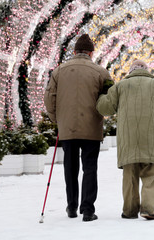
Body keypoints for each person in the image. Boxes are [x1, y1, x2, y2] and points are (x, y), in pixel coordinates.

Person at [96, 59, 154, 220]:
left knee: (129, 176)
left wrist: (101, 96)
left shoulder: (120, 86)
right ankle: (148, 208)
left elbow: (105, 108)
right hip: (151, 138)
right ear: (146, 70)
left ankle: (129, 210)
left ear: (131, 71)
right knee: (150, 174)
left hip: (128, 139)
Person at [44, 34, 112, 222]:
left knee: (70, 167)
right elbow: (109, 99)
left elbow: (49, 97)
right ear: (91, 52)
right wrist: (104, 115)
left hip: (67, 128)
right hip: (91, 127)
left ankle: (72, 207)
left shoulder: (58, 71)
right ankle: (88, 210)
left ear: (74, 52)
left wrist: (57, 119)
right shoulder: (101, 72)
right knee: (90, 168)